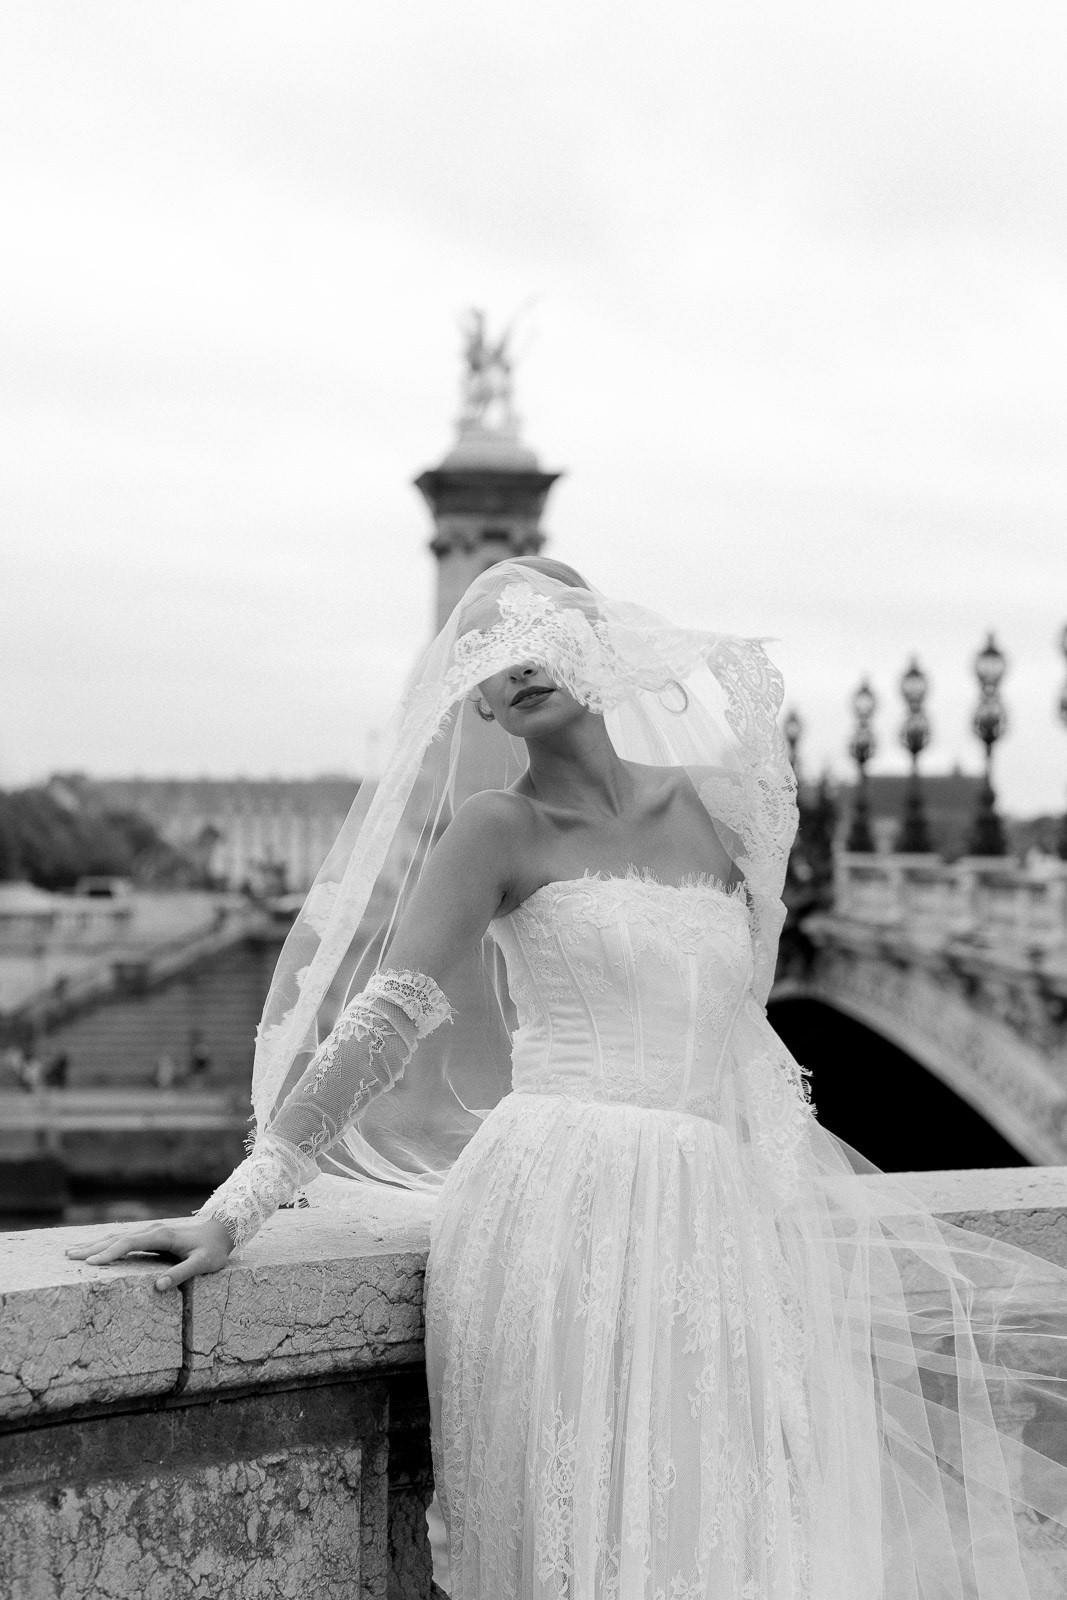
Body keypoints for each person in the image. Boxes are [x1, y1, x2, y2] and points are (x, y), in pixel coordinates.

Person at [69, 558, 1067, 1599]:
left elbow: (744, 1034)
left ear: (600, 637)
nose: (521, 660)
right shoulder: (495, 829)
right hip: (557, 1211)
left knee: (737, 1533)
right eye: (491, 653)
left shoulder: (720, 809)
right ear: (479, 700)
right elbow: (386, 1016)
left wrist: (780, 1205)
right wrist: (237, 1206)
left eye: (543, 629)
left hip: (713, 1220)